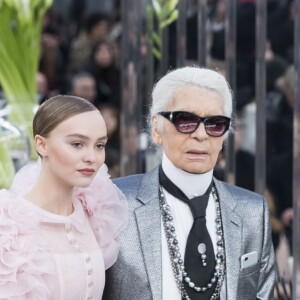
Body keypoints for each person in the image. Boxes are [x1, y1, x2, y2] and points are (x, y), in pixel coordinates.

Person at [103, 66, 276, 300]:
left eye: (215, 124)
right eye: (185, 121)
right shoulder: (114, 201)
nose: (201, 134)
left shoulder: (253, 211)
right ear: (156, 128)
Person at [0, 95, 127, 299]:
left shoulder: (95, 210)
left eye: (99, 145)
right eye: (77, 144)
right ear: (41, 145)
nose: (92, 157)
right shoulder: (8, 230)